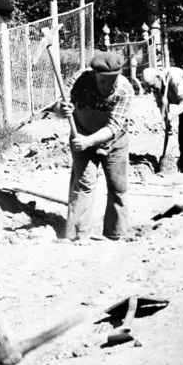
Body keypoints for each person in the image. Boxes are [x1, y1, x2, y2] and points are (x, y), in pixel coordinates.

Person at [57, 51, 132, 241]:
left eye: (113, 79)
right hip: (82, 138)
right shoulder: (80, 80)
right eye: (104, 80)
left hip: (114, 142)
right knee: (84, 186)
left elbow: (113, 126)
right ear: (94, 74)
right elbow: (59, 107)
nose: (109, 84)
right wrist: (62, 109)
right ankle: (79, 235)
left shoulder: (124, 89)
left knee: (118, 188)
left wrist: (88, 141)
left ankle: (117, 234)